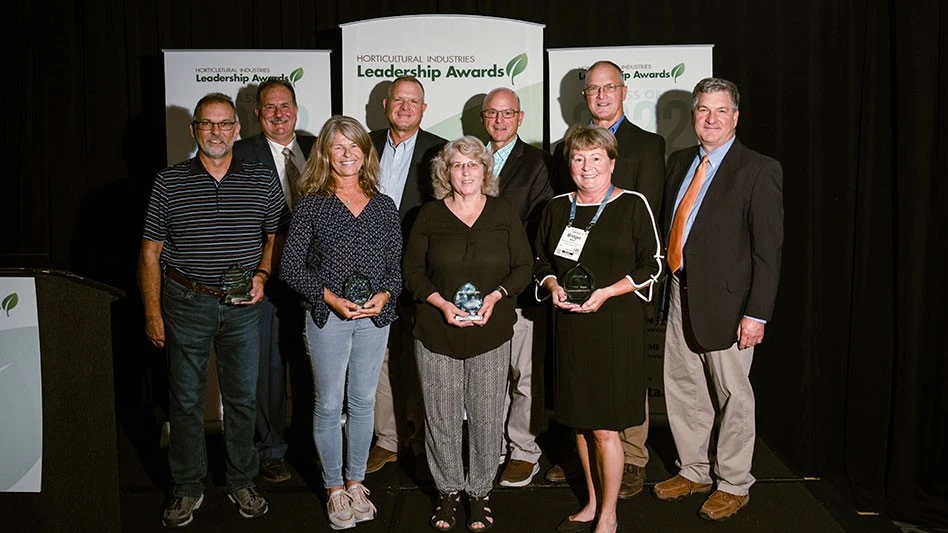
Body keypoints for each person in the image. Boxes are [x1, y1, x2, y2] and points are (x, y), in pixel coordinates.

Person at [139, 92, 287, 527]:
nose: (217, 132)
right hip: (185, 302)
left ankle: (242, 479)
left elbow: (276, 234)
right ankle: (187, 487)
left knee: (242, 398)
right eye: (207, 124)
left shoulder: (260, 179)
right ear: (194, 130)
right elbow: (150, 252)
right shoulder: (169, 181)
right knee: (185, 401)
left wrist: (261, 275)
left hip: (242, 306)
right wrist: (153, 313)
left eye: (225, 124)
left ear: (238, 129)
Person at [652, 77, 783, 521]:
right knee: (683, 386)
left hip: (730, 304)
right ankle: (693, 469)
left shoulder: (759, 169)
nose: (711, 119)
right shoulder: (680, 161)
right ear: (693, 116)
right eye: (703, 110)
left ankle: (734, 482)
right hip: (679, 288)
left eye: (721, 111)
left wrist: (756, 313)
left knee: (733, 395)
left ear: (736, 117)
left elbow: (768, 252)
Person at [547, 60, 666, 500]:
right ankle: (595, 468)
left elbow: (647, 221)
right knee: (583, 391)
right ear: (584, 97)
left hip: (620, 291)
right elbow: (569, 210)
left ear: (623, 90)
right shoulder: (571, 146)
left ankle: (631, 459)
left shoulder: (647, 145)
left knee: (624, 386)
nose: (600, 95)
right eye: (593, 89)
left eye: (608, 87)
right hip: (576, 291)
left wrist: (621, 285)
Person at [279, 115, 403, 530]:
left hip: (374, 318)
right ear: (326, 154)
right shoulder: (311, 203)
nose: (348, 154)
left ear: (365, 153)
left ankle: (355, 482)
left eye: (355, 146)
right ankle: (333, 489)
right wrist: (329, 298)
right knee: (329, 404)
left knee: (363, 402)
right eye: (339, 146)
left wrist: (384, 294)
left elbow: (396, 269)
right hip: (327, 317)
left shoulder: (384, 206)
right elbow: (291, 268)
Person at [402, 136, 532, 532]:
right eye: (458, 165)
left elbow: (523, 268)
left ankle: (479, 493)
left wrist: (495, 297)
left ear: (485, 171)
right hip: (437, 332)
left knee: (487, 416)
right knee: (441, 417)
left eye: (474, 165)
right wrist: (442, 304)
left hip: (490, 333)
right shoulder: (428, 215)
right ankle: (447, 492)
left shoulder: (503, 212)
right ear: (446, 172)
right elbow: (412, 274)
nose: (466, 172)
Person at [232, 78, 316, 484]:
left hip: (314, 279)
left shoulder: (316, 147)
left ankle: (306, 442)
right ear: (257, 113)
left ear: (296, 111)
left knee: (311, 364)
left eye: (285, 107)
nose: (279, 114)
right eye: (270, 108)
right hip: (262, 277)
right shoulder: (239, 153)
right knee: (266, 366)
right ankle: (271, 449)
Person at [366, 75, 447, 479]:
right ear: (386, 105)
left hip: (420, 269)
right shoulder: (364, 144)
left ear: (423, 108)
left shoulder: (439, 150)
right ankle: (388, 439)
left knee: (421, 358)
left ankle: (422, 440)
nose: (405, 107)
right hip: (368, 269)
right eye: (398, 100)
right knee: (379, 357)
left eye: (413, 101)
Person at [480, 87, 554, 488]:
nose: (500, 120)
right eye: (492, 113)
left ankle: (524, 449)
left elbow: (541, 224)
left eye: (507, 113)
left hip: (520, 287)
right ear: (483, 118)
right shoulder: (472, 159)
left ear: (520, 118)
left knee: (524, 375)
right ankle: (492, 446)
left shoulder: (540, 163)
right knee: (489, 374)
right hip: (476, 288)